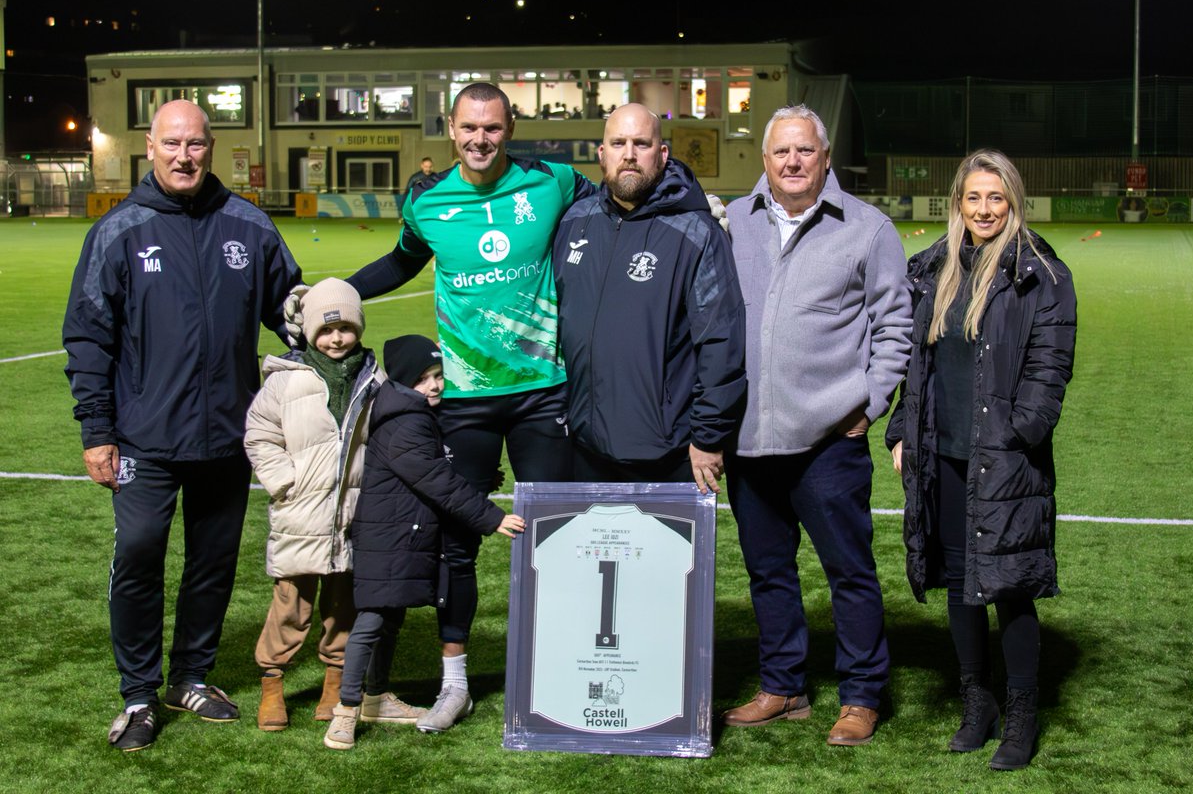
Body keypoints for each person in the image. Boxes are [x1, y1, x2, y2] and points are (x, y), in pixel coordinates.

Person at [323, 82, 595, 730]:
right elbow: (401, 262)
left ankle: (559, 670)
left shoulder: (552, 181)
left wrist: (692, 208)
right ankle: (455, 685)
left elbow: (620, 197)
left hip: (541, 392)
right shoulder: (427, 201)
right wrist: (334, 291)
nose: (480, 140)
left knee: (555, 537)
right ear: (451, 129)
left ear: (511, 128)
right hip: (465, 399)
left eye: (492, 128)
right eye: (470, 128)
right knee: (455, 546)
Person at [62, 99, 303, 751]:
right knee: (139, 555)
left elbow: (292, 314)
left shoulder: (249, 225)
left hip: (228, 436)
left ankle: (191, 677)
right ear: (149, 147)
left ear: (210, 147)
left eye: (195, 144)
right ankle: (139, 694)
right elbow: (88, 337)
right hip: (143, 437)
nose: (184, 156)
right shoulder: (119, 232)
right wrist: (97, 431)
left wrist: (329, 335)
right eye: (171, 143)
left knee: (213, 563)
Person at [722, 104, 912, 746]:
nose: (793, 162)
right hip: (749, 440)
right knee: (768, 572)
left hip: (830, 441)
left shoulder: (867, 228)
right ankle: (783, 687)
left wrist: (869, 404)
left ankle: (862, 695)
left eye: (805, 150)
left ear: (825, 158)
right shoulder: (734, 223)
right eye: (781, 151)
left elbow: (895, 325)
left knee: (849, 573)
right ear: (765, 159)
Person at [885, 150, 1076, 771]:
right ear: (958, 203)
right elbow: (915, 365)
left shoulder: (1040, 273)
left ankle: (1022, 714)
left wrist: (1021, 432)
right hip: (941, 453)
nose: (985, 209)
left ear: (1013, 201)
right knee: (960, 584)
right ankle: (978, 702)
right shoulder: (932, 268)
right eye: (974, 197)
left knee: (1011, 587)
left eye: (996, 197)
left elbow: (1050, 366)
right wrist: (902, 431)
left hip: (1005, 457)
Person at [323, 335, 526, 749]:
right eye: (423, 379)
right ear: (403, 381)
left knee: (389, 619)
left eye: (437, 375)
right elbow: (435, 479)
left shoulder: (409, 410)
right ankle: (345, 710)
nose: (434, 385)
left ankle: (376, 698)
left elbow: (432, 468)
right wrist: (492, 517)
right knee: (372, 621)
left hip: (398, 532)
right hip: (388, 536)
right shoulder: (405, 420)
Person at [553, 103, 745, 489]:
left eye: (641, 143)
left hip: (669, 451)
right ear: (601, 154)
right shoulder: (575, 222)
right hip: (584, 445)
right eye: (618, 143)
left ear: (662, 154)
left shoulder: (696, 231)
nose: (629, 154)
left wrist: (709, 436)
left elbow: (721, 342)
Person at [243, 278, 386, 731]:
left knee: (343, 604)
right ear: (308, 332)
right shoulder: (286, 380)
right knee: (290, 603)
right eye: (326, 330)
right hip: (299, 511)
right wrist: (285, 481)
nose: (336, 338)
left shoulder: (374, 379)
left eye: (345, 328)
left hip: (353, 514)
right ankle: (272, 682)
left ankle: (334, 681)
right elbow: (260, 435)